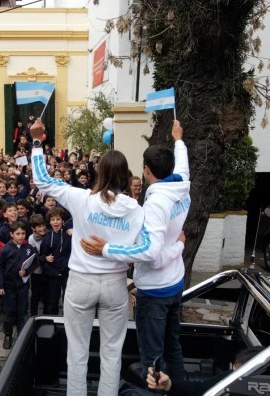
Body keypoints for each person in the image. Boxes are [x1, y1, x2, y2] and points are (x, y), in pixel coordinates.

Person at [29, 118, 146, 396]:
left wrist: (36, 142)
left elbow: (42, 180)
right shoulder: (136, 209)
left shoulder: (81, 199)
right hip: (116, 284)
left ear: (99, 171)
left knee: (77, 351)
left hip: (81, 282)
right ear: (126, 175)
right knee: (112, 352)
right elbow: (144, 250)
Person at [81, 120, 190, 381]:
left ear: (147, 170)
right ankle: (180, 388)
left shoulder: (156, 203)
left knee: (152, 357)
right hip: (175, 284)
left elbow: (150, 252)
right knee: (173, 347)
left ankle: (158, 388)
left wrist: (107, 249)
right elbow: (184, 164)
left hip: (155, 292)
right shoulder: (182, 183)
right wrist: (178, 139)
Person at [144, 347, 264, 396]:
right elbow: (200, 389)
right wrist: (169, 384)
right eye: (233, 371)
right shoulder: (231, 377)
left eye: (238, 374)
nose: (232, 376)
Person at [0, 221, 38, 350]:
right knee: (8, 312)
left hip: (23, 285)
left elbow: (35, 263)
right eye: (18, 234)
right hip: (9, 286)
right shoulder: (6, 249)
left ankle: (21, 335)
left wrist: (26, 271)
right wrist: (0, 285)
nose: (21, 236)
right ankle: (8, 335)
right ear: (11, 234)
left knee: (22, 311)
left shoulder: (29, 248)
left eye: (23, 233)